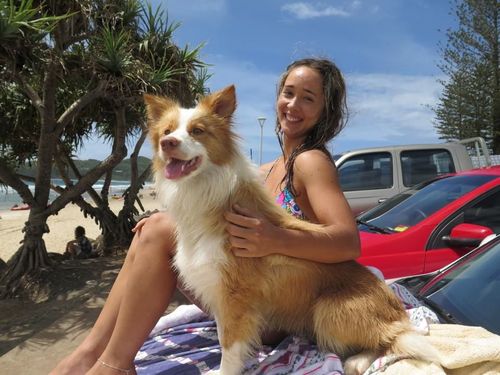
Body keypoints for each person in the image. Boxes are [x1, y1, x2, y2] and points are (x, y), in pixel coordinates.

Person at [50, 57, 360, 375]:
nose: (292, 105)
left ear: (326, 109)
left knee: (157, 231)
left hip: (276, 308)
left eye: (308, 98)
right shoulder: (269, 168)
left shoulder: (309, 161)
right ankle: (90, 353)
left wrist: (274, 238)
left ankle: (111, 364)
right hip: (243, 290)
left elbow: (348, 242)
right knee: (151, 230)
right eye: (288, 93)